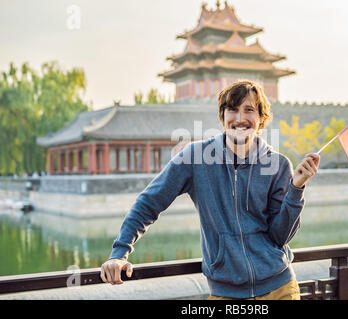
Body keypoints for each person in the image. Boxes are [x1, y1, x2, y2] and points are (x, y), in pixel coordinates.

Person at [100, 80, 320, 300]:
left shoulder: (278, 165)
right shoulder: (195, 157)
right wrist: (119, 253)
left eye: (249, 110)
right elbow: (149, 203)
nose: (240, 118)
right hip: (226, 293)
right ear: (222, 116)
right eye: (232, 110)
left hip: (280, 288)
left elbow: (280, 236)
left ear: (260, 118)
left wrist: (296, 188)